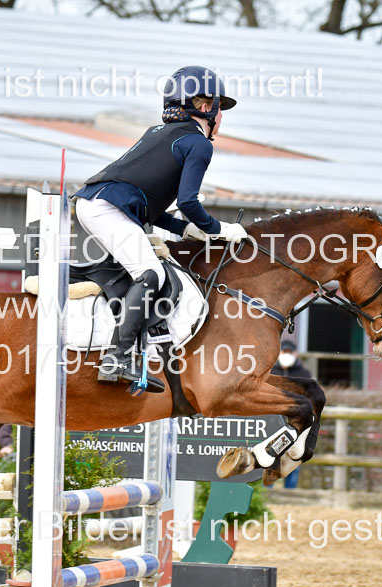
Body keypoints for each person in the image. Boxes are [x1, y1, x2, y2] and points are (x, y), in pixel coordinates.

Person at [73, 65, 248, 393]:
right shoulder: (199, 144)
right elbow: (189, 202)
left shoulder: (160, 133)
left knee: (145, 269)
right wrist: (218, 229)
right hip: (107, 207)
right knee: (151, 274)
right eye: (220, 108)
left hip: (97, 202)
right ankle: (117, 359)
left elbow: (153, 207)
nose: (221, 118)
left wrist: (186, 231)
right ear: (203, 105)